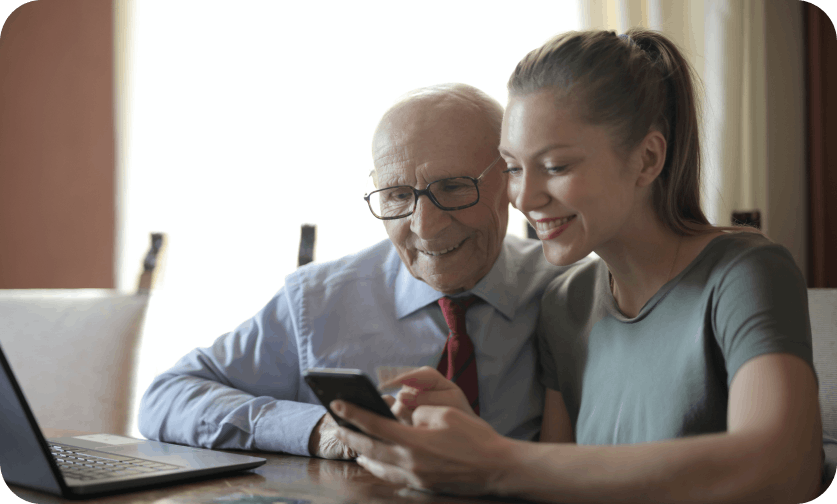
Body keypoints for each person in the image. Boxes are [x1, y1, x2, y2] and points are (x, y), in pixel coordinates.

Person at [332, 29, 828, 503]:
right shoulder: (566, 302)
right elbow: (556, 482)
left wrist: (493, 459)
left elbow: (781, 469)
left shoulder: (745, 272)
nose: (525, 198)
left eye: (556, 166)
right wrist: (470, 440)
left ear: (647, 159)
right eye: (513, 168)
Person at [137, 83, 566, 460]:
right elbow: (166, 397)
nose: (424, 226)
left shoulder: (569, 292)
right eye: (397, 195)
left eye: (453, 187)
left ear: (511, 179)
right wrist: (318, 429)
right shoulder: (318, 301)